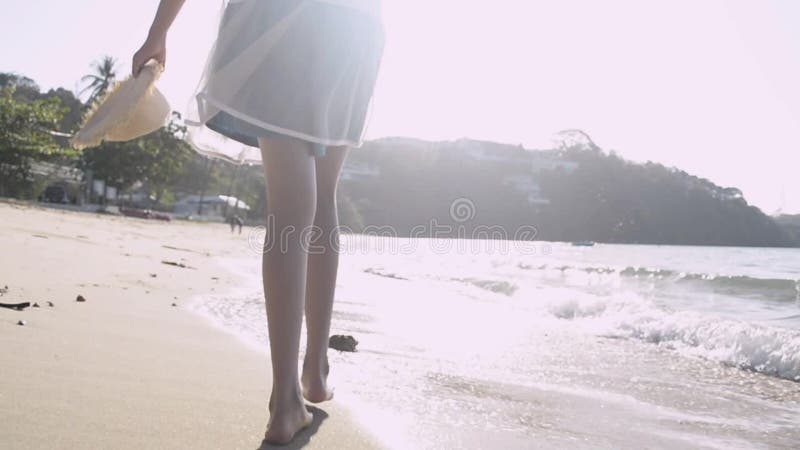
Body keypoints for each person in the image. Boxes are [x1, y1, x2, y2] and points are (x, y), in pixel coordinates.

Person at [133, 0, 384, 444]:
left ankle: (285, 398)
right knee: (323, 195)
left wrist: (159, 31)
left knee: (289, 203)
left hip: (279, 16)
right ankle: (315, 372)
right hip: (352, 24)